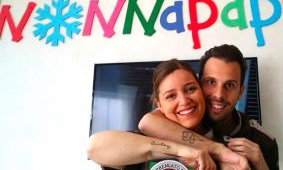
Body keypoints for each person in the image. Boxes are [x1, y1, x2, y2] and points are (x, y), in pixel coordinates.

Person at [87, 59, 249, 170]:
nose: (184, 101)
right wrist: (181, 150)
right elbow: (93, 148)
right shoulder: (141, 144)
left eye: (190, 89)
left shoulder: (227, 151)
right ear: (159, 105)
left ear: (201, 91)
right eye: (171, 96)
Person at [139, 45, 279, 170]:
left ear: (240, 92)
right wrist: (218, 150)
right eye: (211, 82)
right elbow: (147, 123)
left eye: (229, 85)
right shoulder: (185, 116)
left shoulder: (263, 142)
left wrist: (261, 167)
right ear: (199, 84)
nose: (218, 95)